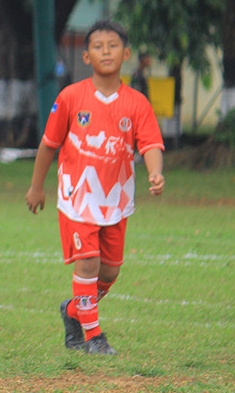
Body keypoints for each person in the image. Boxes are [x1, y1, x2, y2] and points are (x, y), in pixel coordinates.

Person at [25, 20, 165, 355]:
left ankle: (74, 310)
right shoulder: (71, 97)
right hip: (77, 197)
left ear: (126, 54)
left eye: (113, 46)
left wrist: (155, 173)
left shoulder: (137, 103)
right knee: (87, 262)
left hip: (115, 200)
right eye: (98, 47)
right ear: (86, 56)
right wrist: (36, 187)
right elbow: (48, 144)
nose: (106, 52)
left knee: (110, 271)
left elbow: (150, 144)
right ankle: (94, 337)